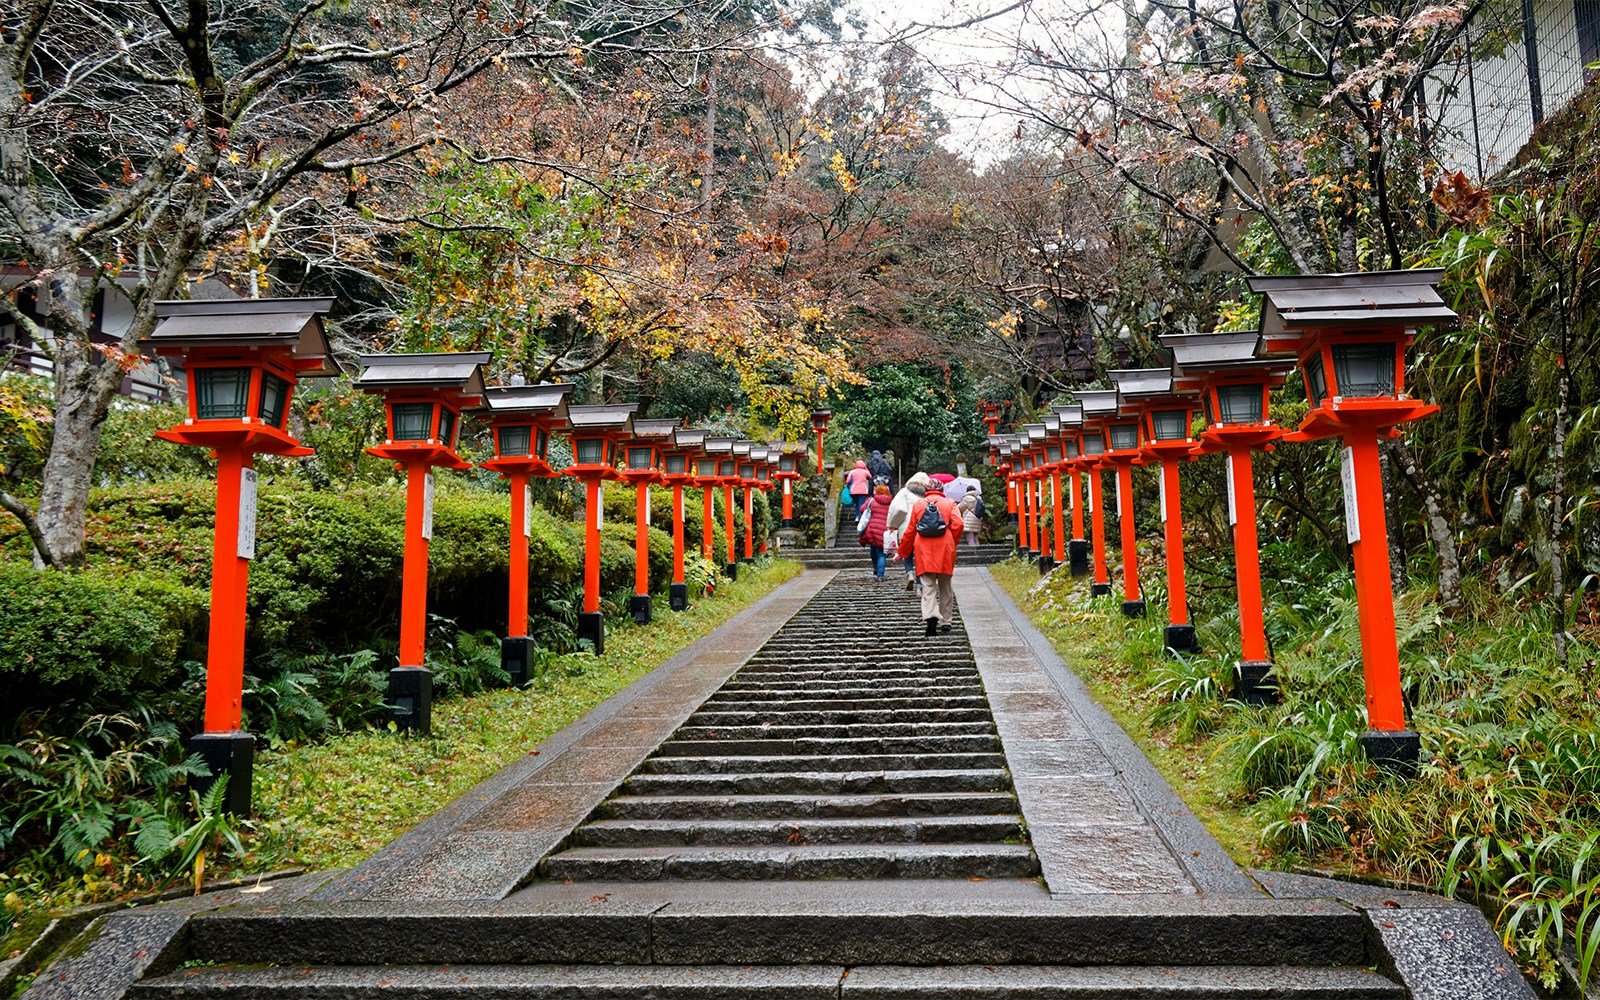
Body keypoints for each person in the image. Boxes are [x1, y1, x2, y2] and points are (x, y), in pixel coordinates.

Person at [897, 478, 964, 635]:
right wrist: (953, 539)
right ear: (941, 490)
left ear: (926, 490)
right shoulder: (949, 503)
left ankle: (931, 615)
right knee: (945, 585)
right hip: (945, 546)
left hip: (924, 547)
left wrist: (903, 551)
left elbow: (910, 531)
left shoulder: (919, 505)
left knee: (927, 585)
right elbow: (959, 524)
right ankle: (946, 621)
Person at [887, 472, 930, 591]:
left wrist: (891, 525)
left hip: (906, 528)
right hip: (923, 528)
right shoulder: (927, 494)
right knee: (921, 557)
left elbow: (896, 508)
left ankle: (909, 573)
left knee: (907, 553)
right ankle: (919, 584)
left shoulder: (904, 492)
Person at [858, 484, 893, 579]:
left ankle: (876, 568)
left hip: (872, 529)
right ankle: (880, 575)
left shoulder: (872, 500)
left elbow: (861, 509)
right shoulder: (891, 502)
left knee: (873, 549)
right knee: (881, 553)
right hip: (885, 530)